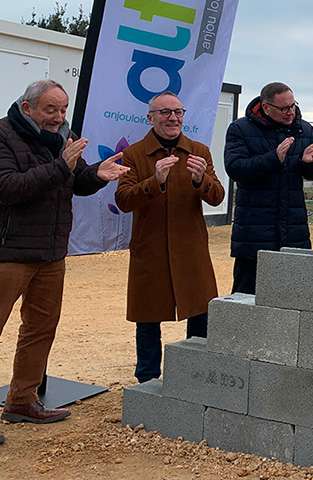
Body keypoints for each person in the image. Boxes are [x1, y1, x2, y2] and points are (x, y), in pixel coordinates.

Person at [0, 79, 127, 446]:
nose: (59, 117)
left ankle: (22, 400)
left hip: (50, 253)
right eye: (51, 109)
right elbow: (7, 188)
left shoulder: (63, 137)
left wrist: (96, 174)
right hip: (6, 252)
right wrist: (61, 166)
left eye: (63, 110)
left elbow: (74, 180)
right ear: (27, 107)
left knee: (40, 329)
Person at [114, 91, 225, 384]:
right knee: (147, 318)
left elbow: (217, 197)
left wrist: (201, 181)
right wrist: (155, 181)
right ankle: (147, 380)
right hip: (150, 249)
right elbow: (123, 199)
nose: (172, 118)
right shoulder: (134, 154)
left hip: (191, 250)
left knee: (200, 313)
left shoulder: (199, 151)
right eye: (164, 112)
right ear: (150, 118)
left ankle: (195, 377)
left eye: (177, 111)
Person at [224, 82, 313, 294]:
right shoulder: (240, 129)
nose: (291, 112)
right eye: (284, 108)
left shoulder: (304, 129)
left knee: (293, 301)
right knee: (246, 303)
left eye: (293, 106)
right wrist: (273, 158)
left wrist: (310, 162)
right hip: (254, 235)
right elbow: (235, 168)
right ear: (266, 107)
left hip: (294, 234)